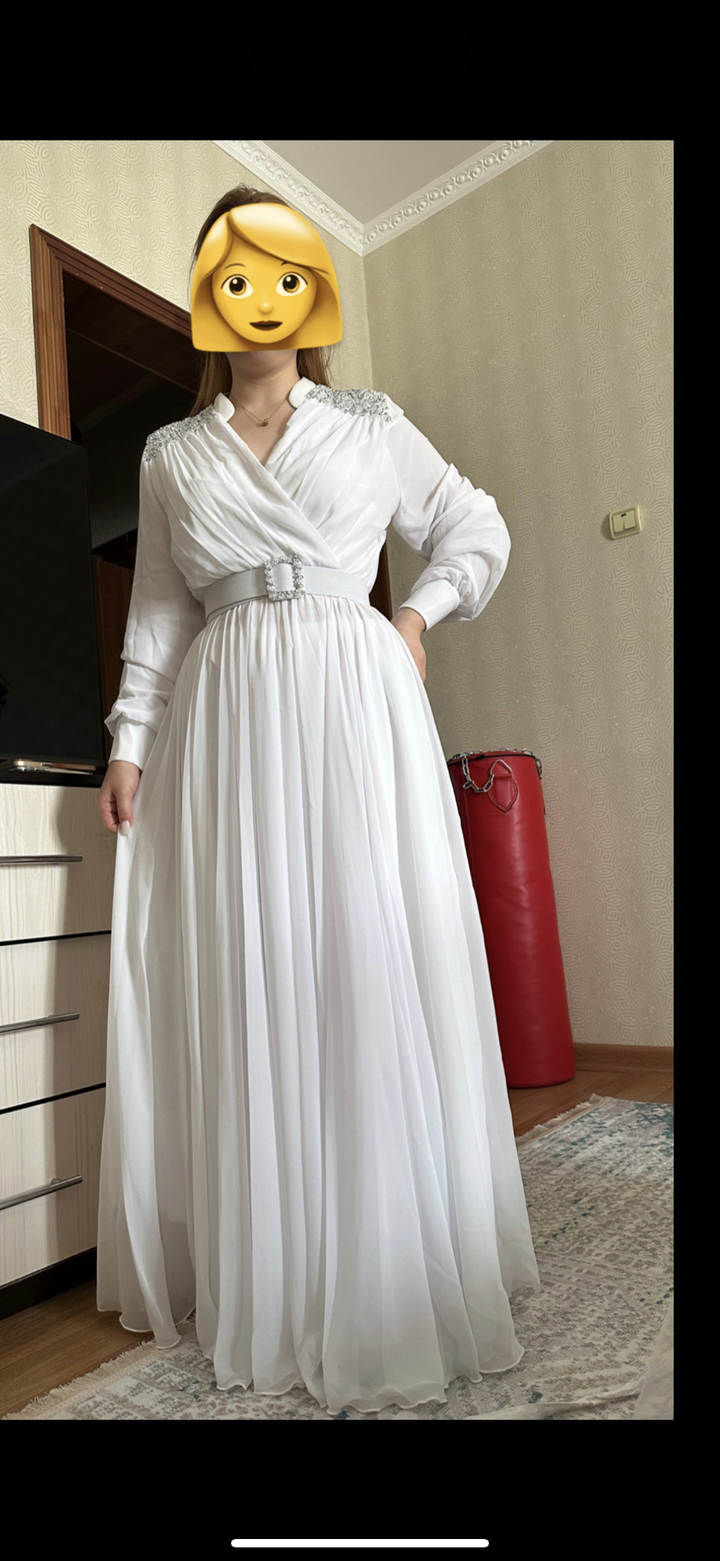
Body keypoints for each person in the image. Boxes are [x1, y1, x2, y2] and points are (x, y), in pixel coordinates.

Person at [95, 184, 540, 1418]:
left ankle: (389, 1249)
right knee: (257, 961)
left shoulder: (370, 422)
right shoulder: (170, 455)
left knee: (362, 947)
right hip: (228, 717)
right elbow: (159, 618)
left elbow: (474, 527)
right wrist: (129, 741)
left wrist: (417, 613)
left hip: (356, 701)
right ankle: (278, 1259)